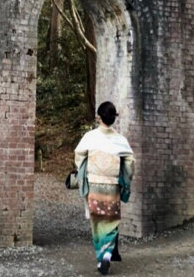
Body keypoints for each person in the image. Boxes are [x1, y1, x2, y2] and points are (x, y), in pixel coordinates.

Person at [74, 101, 135, 275]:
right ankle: (107, 254)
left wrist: (82, 169)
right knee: (111, 221)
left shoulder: (90, 137)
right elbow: (130, 161)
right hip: (112, 186)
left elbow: (79, 154)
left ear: (99, 117)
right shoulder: (120, 140)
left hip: (94, 185)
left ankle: (102, 257)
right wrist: (127, 175)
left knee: (97, 221)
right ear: (113, 118)